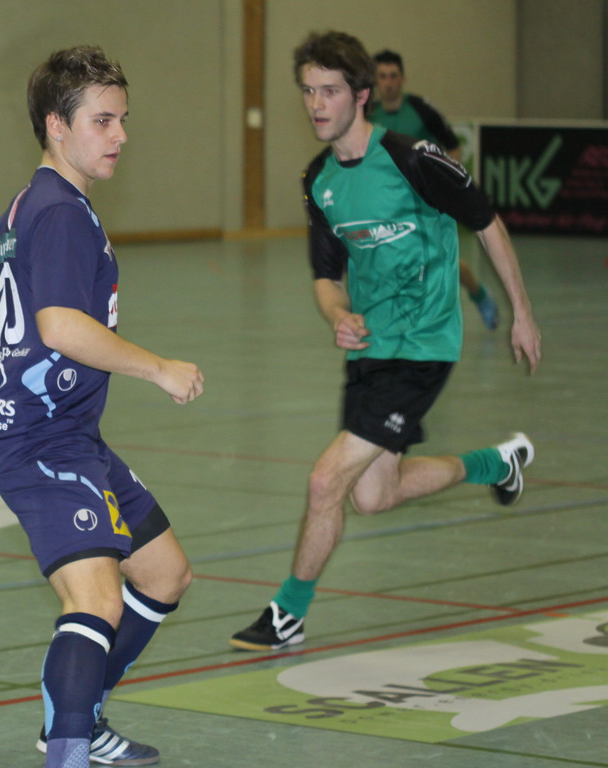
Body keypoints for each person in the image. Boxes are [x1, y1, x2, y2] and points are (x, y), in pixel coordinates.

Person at [230, 31, 541, 652]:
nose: (316, 104)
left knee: (326, 481)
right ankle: (497, 463)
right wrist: (337, 313)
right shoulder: (319, 180)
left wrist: (521, 313)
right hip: (370, 349)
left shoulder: (412, 158)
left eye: (330, 91)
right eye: (308, 92)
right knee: (374, 495)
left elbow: (486, 222)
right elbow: (325, 276)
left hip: (423, 345)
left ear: (362, 95)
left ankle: (288, 613)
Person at [0, 46, 204, 767]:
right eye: (103, 121)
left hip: (66, 434)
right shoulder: (61, 214)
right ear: (56, 124)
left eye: (122, 119)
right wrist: (158, 368)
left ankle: (77, 715)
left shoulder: (20, 211)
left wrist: (29, 384)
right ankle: (67, 745)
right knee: (97, 599)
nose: (120, 135)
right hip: (42, 443)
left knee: (163, 573)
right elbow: (60, 327)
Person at [372, 48, 500, 330]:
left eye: (393, 76)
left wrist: (443, 188)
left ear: (403, 79)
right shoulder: (368, 114)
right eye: (382, 76)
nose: (388, 82)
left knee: (440, 261)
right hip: (387, 204)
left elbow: (453, 147)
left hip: (424, 202)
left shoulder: (422, 110)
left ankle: (478, 294)